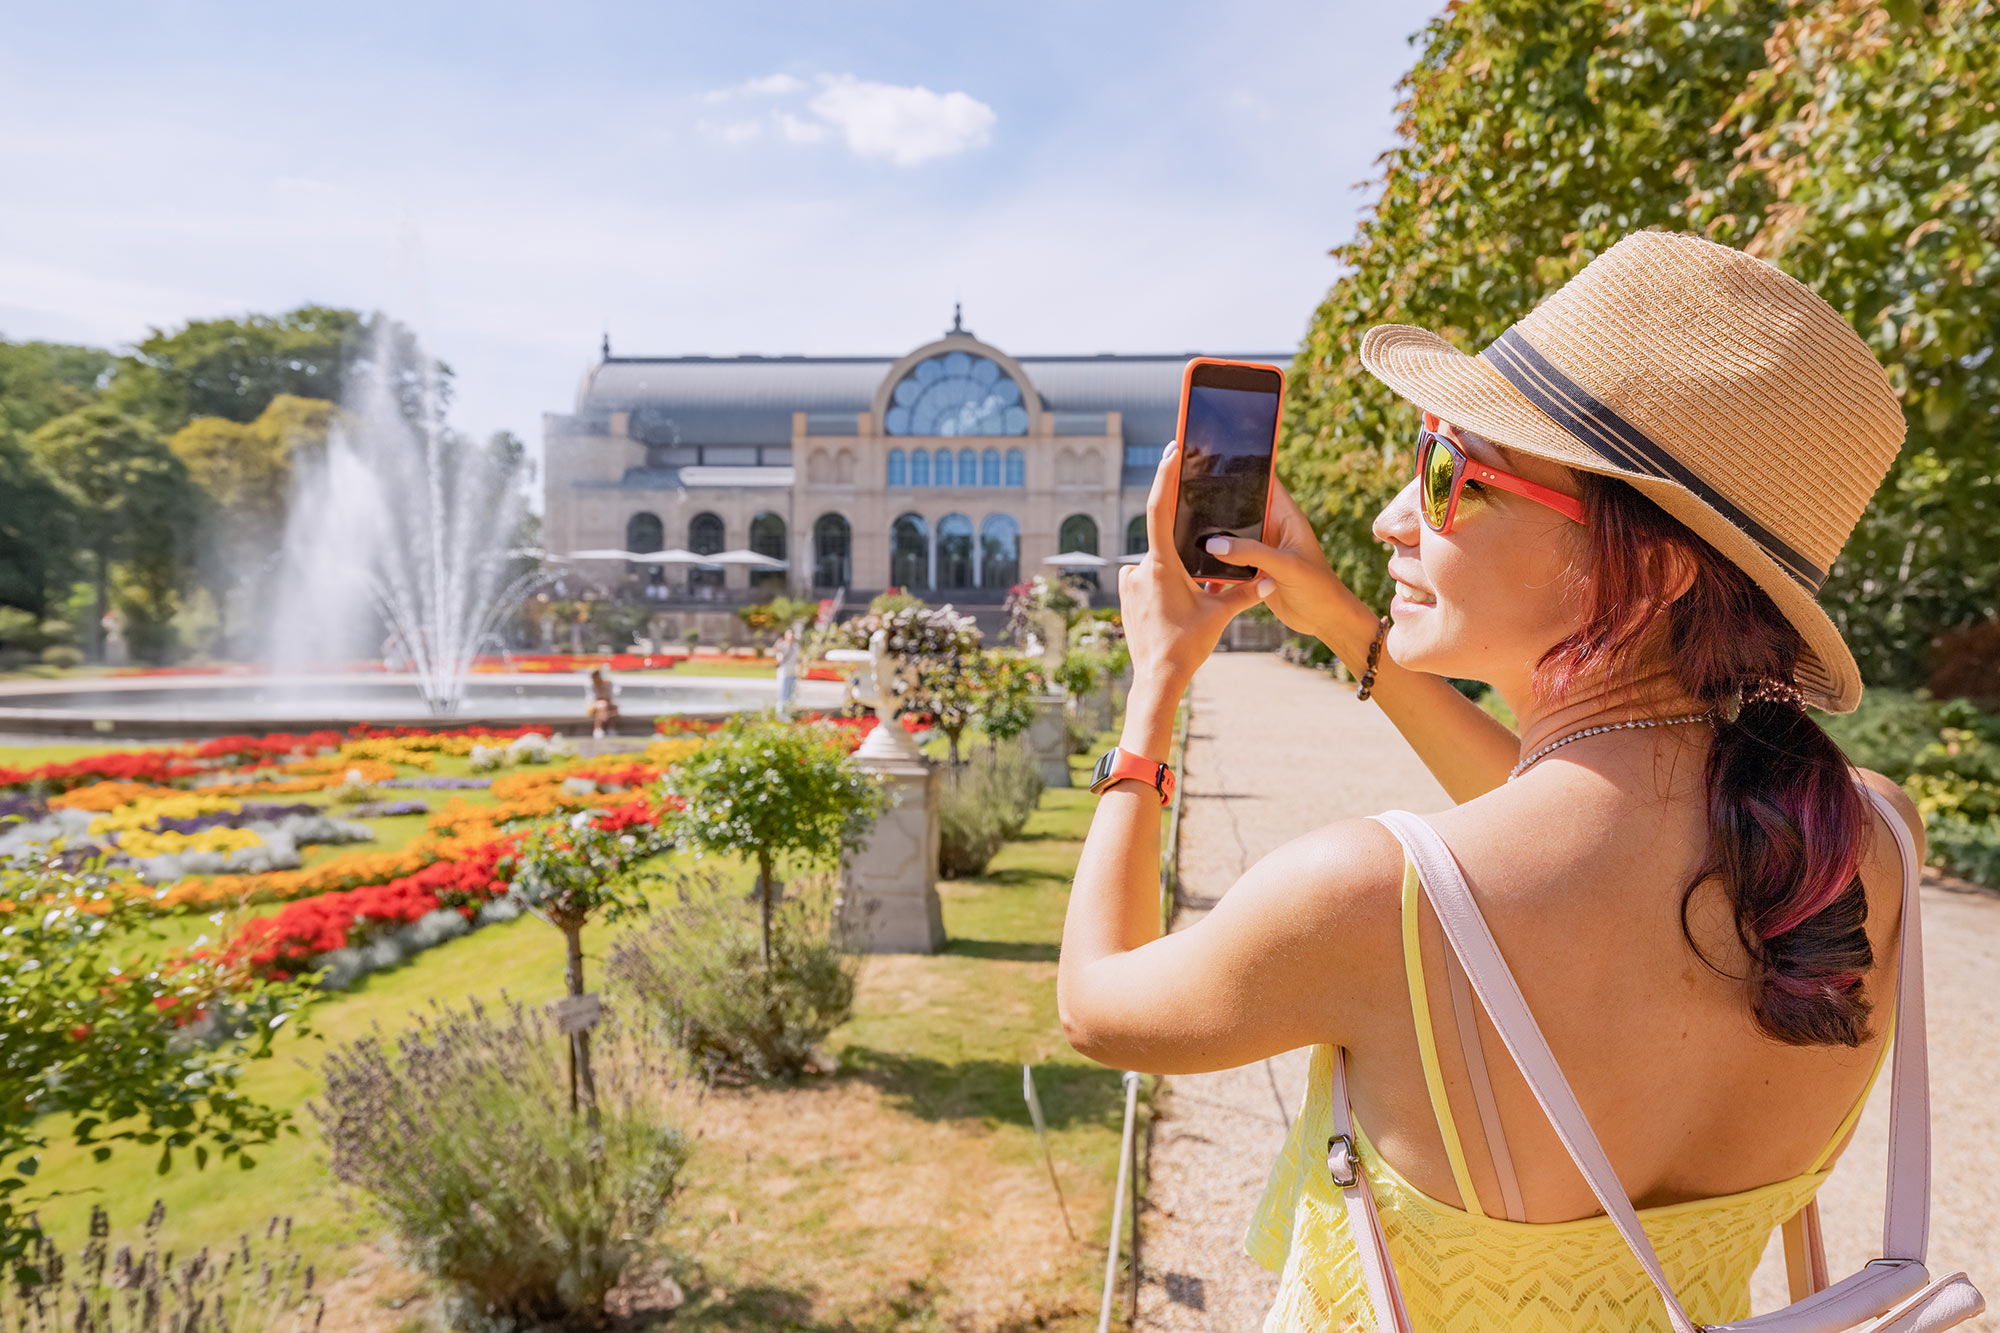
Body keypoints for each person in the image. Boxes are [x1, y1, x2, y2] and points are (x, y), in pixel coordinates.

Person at [1059, 232, 1927, 1328]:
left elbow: (1099, 1008)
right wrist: (1336, 618)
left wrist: (1152, 695)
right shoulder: (1867, 843)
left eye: (1443, 472)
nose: (1389, 515)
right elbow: (1561, 816)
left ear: (1648, 569)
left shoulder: (1370, 895)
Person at [774, 624, 800, 719]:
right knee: (782, 695)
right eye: (790, 635)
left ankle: (788, 714)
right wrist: (778, 645)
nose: (792, 637)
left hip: (792, 673)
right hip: (783, 674)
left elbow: (797, 659)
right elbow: (777, 651)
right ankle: (780, 715)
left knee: (790, 695)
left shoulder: (796, 646)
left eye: (793, 635)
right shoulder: (783, 645)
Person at [587, 666, 619, 738]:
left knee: (614, 707)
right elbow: (592, 700)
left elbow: (611, 697)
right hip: (594, 705)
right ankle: (598, 728)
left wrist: (604, 688)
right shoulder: (590, 685)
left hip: (606, 703)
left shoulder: (608, 683)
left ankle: (611, 728)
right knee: (602, 705)